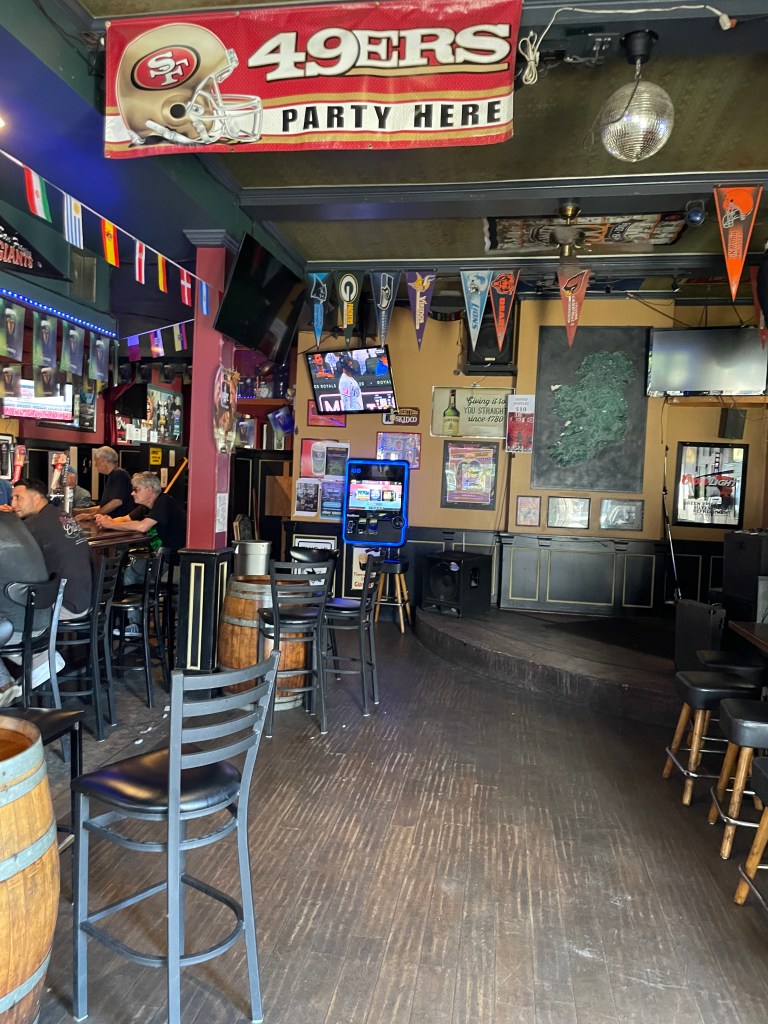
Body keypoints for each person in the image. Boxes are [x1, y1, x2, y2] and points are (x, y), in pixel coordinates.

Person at [95, 472, 186, 634]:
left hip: (175, 565)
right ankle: (127, 620)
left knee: (129, 574)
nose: (132, 493)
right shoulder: (147, 506)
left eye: (136, 490)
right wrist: (105, 520)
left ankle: (134, 624)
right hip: (162, 560)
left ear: (149, 489)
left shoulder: (164, 502)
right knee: (129, 571)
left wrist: (111, 524)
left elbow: (142, 526)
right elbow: (126, 519)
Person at [11, 478, 93, 620]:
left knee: (9, 605)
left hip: (65, 604)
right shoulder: (63, 515)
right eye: (12, 498)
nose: (13, 504)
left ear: (36, 498)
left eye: (18, 498)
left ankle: (25, 641)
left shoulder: (33, 524)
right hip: (86, 599)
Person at [0, 509, 48, 706]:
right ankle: (5, 684)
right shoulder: (13, 520)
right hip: (43, 621)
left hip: (17, 629)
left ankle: (4, 683)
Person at [75, 446, 134, 520]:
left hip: (119, 523)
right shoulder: (113, 475)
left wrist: (90, 516)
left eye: (97, 461)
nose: (96, 465)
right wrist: (79, 512)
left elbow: (116, 502)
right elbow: (104, 506)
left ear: (104, 460)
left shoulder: (119, 474)